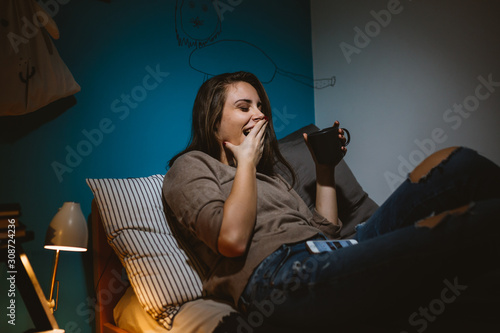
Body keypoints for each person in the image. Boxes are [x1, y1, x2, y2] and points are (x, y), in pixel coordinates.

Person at [163, 71, 500, 331]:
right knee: (460, 227)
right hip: (280, 279)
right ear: (214, 121)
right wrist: (246, 163)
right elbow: (232, 240)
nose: (261, 115)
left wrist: (325, 169)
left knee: (454, 163)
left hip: (331, 253)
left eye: (261, 107)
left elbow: (325, 232)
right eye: (244, 107)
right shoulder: (191, 165)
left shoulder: (272, 180)